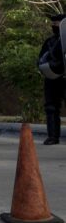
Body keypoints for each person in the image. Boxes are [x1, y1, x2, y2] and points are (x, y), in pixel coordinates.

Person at [40, 13, 65, 145]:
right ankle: (53, 136)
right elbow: (41, 59)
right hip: (52, 77)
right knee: (51, 107)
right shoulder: (49, 42)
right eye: (52, 24)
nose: (53, 26)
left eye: (56, 23)